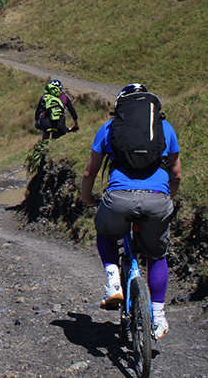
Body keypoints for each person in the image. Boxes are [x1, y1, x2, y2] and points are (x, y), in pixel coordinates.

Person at [80, 83, 181, 340]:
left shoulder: (110, 128)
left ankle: (113, 281)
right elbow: (176, 173)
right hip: (157, 200)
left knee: (105, 231)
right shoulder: (164, 128)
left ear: (121, 106)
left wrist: (87, 198)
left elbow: (90, 171)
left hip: (119, 199)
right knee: (157, 255)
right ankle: (157, 316)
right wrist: (169, 197)